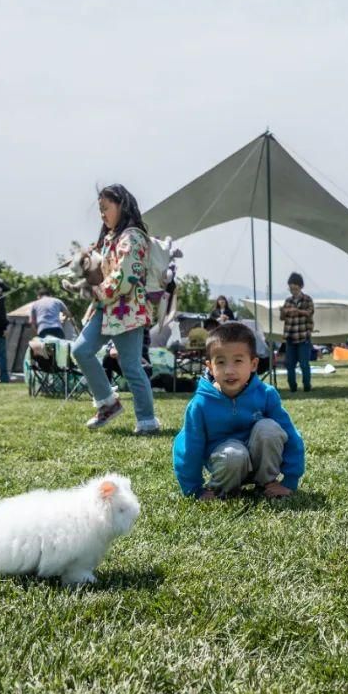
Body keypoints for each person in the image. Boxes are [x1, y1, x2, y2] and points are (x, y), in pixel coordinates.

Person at [172, 321, 305, 499]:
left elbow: (290, 436)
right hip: (228, 463)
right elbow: (188, 449)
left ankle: (266, 483)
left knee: (269, 429)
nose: (229, 370)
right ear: (210, 367)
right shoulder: (200, 404)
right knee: (234, 454)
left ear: (253, 364)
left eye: (238, 361)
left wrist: (290, 480)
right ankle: (225, 490)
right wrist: (194, 489)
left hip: (262, 463)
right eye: (220, 362)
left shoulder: (266, 395)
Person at [71, 184, 159, 434]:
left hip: (127, 310)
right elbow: (102, 269)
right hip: (106, 309)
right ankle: (108, 403)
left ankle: (146, 420)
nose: (102, 214)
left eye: (105, 208)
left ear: (121, 205)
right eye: (100, 210)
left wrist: (96, 291)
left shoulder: (132, 237)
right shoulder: (110, 239)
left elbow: (126, 276)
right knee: (81, 350)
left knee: (131, 366)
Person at [280, 272, 314, 393]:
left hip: (303, 336)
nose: (292, 290)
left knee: (304, 364)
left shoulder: (307, 299)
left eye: (295, 288)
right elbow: (282, 317)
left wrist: (297, 311)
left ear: (300, 287)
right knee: (290, 365)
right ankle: (292, 387)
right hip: (290, 336)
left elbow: (310, 312)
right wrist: (284, 311)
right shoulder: (288, 301)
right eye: (291, 288)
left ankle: (306, 386)